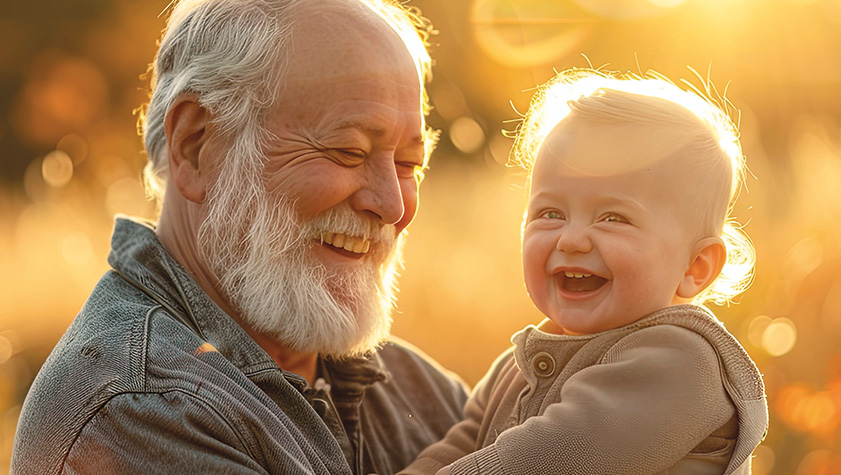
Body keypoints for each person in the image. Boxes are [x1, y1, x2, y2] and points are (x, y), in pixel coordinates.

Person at [12, 0, 469, 473]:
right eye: (348, 151)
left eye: (408, 164)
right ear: (197, 145)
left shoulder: (424, 392)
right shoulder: (140, 411)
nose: (393, 205)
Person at [399, 69, 769, 475]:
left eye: (613, 217)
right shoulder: (516, 365)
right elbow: (459, 444)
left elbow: (538, 460)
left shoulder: (681, 365)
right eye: (550, 213)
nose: (572, 239)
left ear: (695, 267)